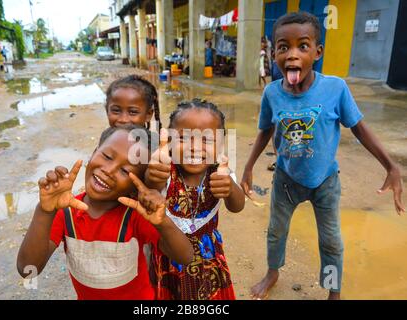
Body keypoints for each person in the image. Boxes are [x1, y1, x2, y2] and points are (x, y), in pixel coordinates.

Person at [241, 12, 405, 300]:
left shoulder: (335, 88)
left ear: (317, 52)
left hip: (325, 182)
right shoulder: (271, 93)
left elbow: (359, 129)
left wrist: (391, 165)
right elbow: (265, 131)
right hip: (286, 180)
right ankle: (272, 272)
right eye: (283, 47)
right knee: (276, 232)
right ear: (274, 52)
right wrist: (249, 167)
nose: (292, 55)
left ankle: (333, 290)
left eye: (302, 46)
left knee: (331, 241)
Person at [17, 125, 194, 300]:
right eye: (107, 156)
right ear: (94, 152)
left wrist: (163, 222)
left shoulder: (135, 216)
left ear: (136, 185)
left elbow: (185, 257)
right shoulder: (66, 212)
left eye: (125, 171)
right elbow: (28, 269)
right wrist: (44, 211)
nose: (108, 170)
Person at [145, 98, 245, 300]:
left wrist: (231, 189)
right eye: (183, 138)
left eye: (207, 140)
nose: (194, 147)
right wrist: (152, 175)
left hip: (208, 259)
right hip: (169, 255)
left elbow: (237, 206)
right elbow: (151, 187)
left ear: (221, 144)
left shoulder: (220, 173)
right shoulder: (165, 171)